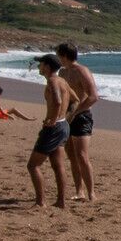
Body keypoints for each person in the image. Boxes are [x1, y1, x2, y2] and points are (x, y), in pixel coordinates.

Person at [27, 54, 78, 208]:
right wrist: (66, 117)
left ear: (47, 67)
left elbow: (57, 100)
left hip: (54, 127)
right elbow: (75, 100)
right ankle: (61, 201)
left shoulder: (52, 81)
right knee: (58, 165)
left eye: (40, 64)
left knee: (33, 165)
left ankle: (40, 202)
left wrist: (54, 119)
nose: (38, 67)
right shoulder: (63, 81)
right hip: (63, 126)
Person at [53, 41, 99, 203]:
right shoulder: (62, 72)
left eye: (59, 55)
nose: (58, 58)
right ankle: (79, 191)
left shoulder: (82, 71)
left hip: (82, 116)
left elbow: (93, 96)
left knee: (82, 155)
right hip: (66, 116)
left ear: (65, 55)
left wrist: (76, 112)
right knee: (71, 156)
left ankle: (91, 193)